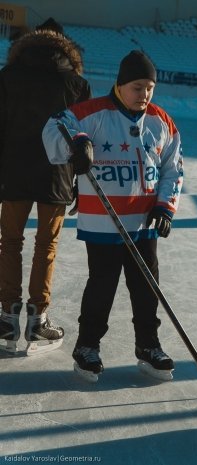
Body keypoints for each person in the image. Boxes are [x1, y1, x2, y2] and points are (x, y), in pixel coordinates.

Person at [42, 50, 184, 382]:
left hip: (144, 224)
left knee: (147, 288)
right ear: (120, 85)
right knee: (102, 286)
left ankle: (149, 345)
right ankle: (87, 347)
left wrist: (165, 206)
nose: (144, 94)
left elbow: (173, 169)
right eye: (137, 87)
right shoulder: (93, 113)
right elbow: (55, 126)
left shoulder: (161, 122)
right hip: (103, 221)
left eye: (150, 87)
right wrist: (78, 142)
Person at [0, 25, 92, 355]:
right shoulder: (77, 84)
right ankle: (37, 318)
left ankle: (8, 315)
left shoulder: (8, 75)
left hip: (13, 173)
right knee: (46, 244)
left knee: (9, 241)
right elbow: (83, 138)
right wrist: (82, 187)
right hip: (58, 175)